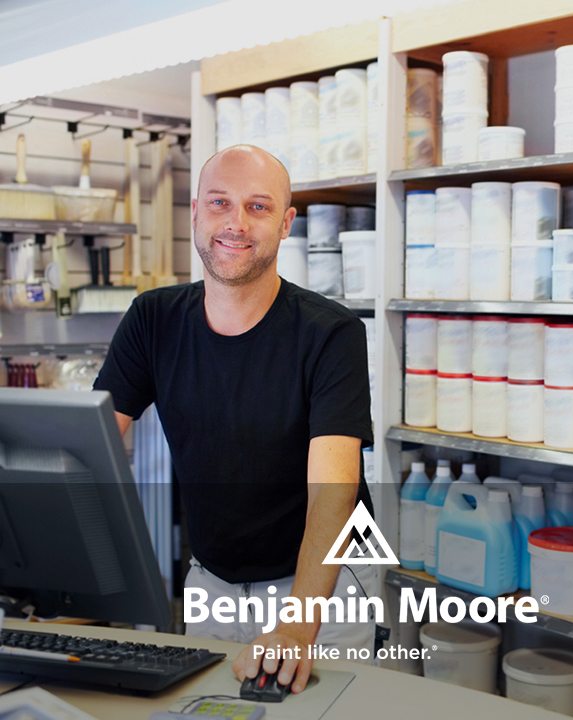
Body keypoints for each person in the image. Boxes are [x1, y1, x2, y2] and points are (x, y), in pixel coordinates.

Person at [93, 145, 374, 695]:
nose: (236, 224)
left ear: (286, 223)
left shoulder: (331, 333)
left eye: (259, 207)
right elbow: (90, 448)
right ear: (196, 212)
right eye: (220, 203)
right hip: (213, 578)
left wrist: (297, 624)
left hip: (321, 584)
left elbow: (334, 490)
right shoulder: (154, 319)